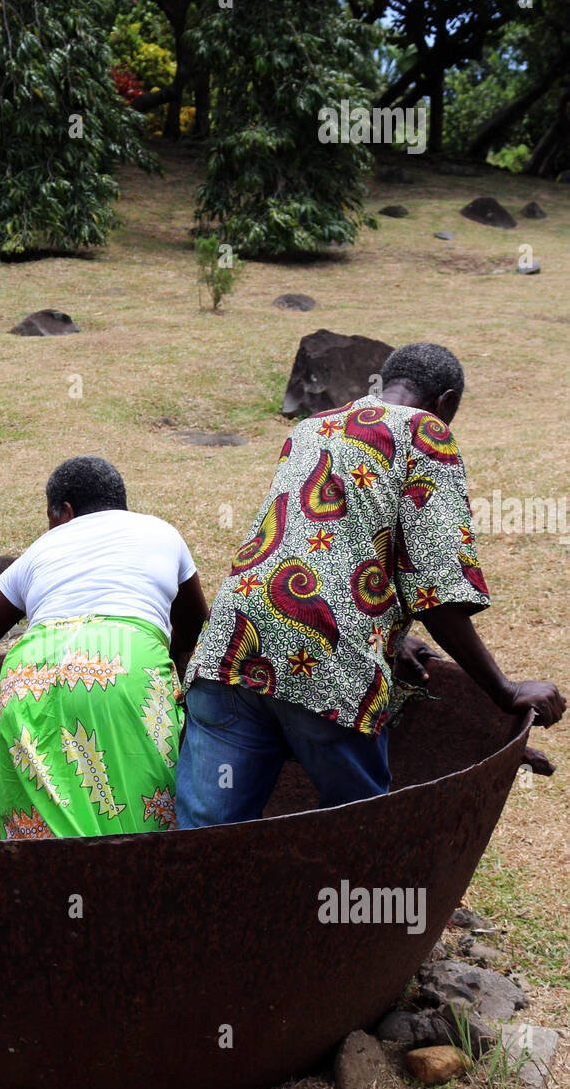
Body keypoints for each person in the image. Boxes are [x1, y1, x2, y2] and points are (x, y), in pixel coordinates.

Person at [176, 342, 566, 827]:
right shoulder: (427, 431)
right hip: (326, 663)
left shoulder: (311, 428)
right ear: (445, 403)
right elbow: (438, 591)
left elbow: (324, 545)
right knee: (357, 834)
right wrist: (505, 691)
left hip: (230, 650)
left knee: (205, 839)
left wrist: (390, 634)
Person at [0, 455, 208, 838]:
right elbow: (194, 616)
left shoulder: (41, 550)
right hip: (125, 667)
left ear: (64, 511)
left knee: (44, 835)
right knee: (142, 823)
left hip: (30, 674)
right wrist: (173, 662)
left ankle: (56, 894)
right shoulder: (161, 533)